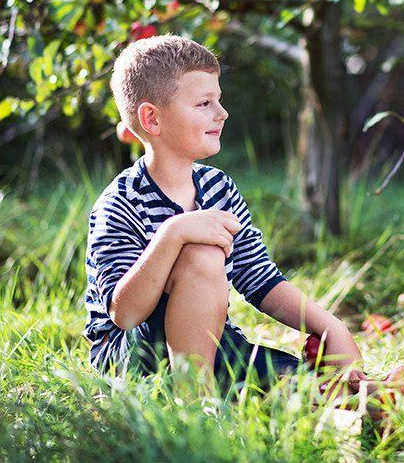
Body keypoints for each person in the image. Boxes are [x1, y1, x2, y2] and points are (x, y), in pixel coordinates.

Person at [83, 35, 362, 389]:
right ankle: (198, 411)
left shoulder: (220, 189)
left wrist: (330, 326)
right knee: (201, 254)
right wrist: (173, 234)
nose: (222, 113)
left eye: (219, 100)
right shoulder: (121, 201)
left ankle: (217, 389)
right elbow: (125, 314)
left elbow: (258, 278)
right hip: (133, 358)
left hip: (211, 345)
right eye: (203, 103)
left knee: (310, 388)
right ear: (152, 120)